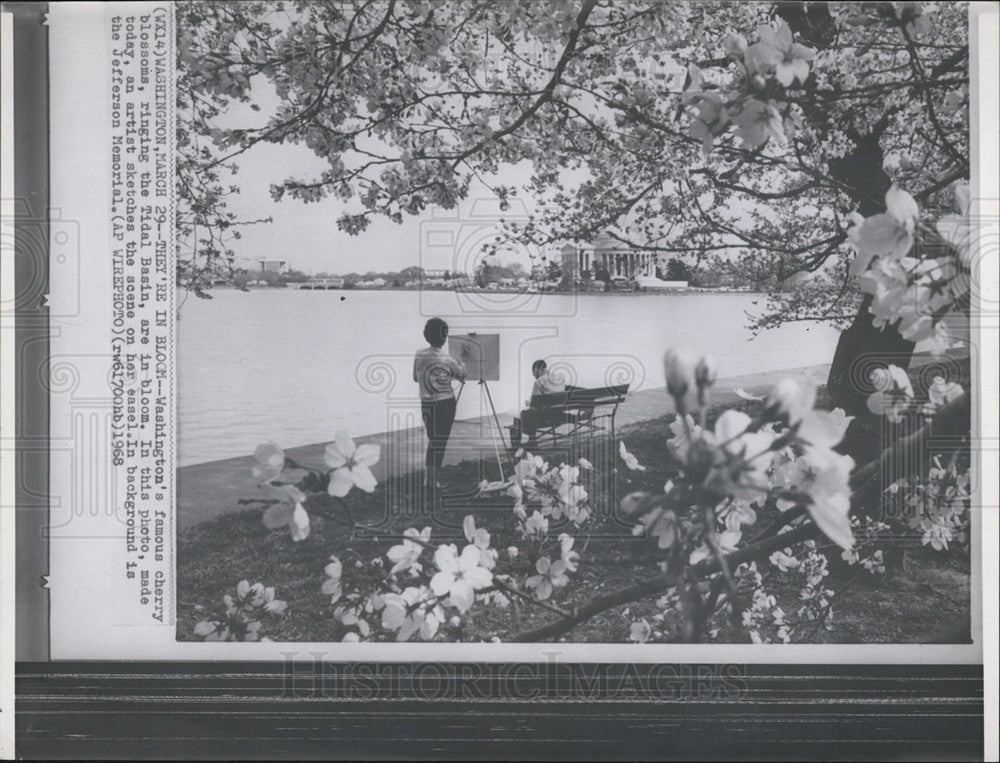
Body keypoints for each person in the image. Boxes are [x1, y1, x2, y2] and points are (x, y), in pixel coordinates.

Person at [413, 317, 466, 488]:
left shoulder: (419, 354)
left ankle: (429, 478)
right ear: (444, 337)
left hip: (426, 404)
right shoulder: (448, 359)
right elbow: (461, 375)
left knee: (433, 440)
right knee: (440, 441)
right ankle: (432, 480)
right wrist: (462, 359)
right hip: (445, 404)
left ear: (427, 335)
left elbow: (415, 377)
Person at [509, 359, 568, 447]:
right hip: (559, 413)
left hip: (545, 416)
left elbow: (534, 404)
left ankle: (523, 444)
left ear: (538, 370)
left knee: (519, 417)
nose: (534, 375)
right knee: (530, 414)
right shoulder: (560, 378)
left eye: (534, 373)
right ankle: (531, 441)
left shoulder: (539, 382)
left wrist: (528, 403)